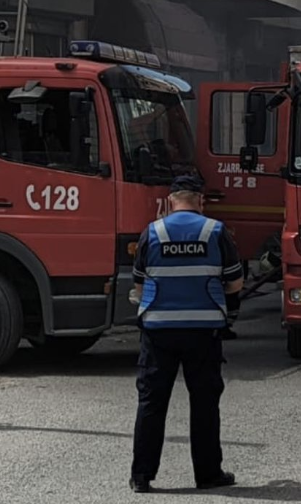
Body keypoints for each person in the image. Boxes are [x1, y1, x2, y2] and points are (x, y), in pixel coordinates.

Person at [129, 175, 243, 494]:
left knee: (152, 402)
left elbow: (139, 285)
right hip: (202, 331)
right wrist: (229, 309)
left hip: (158, 332)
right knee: (204, 403)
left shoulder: (152, 232)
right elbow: (235, 283)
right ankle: (207, 474)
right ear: (200, 200)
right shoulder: (215, 231)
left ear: (171, 201)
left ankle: (142, 476)